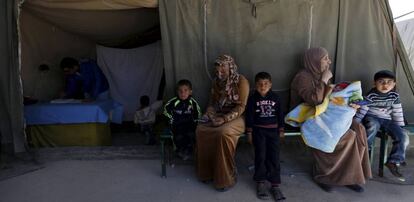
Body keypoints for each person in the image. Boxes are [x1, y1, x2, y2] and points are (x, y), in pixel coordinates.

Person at [290, 47, 371, 193]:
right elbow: (315, 100)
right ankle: (324, 176)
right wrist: (324, 80)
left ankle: (350, 176)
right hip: (307, 115)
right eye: (325, 58)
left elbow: (328, 98)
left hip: (324, 112)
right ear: (314, 61)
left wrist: (351, 101)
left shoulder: (320, 74)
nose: (329, 61)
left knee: (358, 130)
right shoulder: (303, 77)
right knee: (346, 136)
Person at [196, 54, 249, 192]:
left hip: (238, 117)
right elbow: (213, 103)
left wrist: (224, 119)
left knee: (223, 132)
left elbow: (241, 107)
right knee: (201, 129)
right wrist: (209, 114)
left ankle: (226, 177)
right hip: (220, 114)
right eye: (217, 68)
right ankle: (207, 172)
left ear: (230, 67)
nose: (219, 71)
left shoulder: (241, 81)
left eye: (223, 67)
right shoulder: (216, 82)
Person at [355, 70, 407, 177]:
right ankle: (364, 151)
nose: (385, 85)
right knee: (372, 126)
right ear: (374, 83)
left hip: (387, 119)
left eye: (389, 82)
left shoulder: (394, 96)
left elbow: (397, 110)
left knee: (402, 135)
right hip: (372, 117)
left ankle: (394, 160)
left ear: (394, 84)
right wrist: (356, 122)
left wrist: (399, 126)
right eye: (381, 82)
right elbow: (363, 109)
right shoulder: (371, 95)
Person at [245, 72, 286, 200]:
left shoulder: (276, 98)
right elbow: (250, 117)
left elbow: (280, 114)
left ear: (271, 84)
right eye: (260, 84)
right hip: (259, 132)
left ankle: (275, 185)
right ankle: (261, 182)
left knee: (274, 156)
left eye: (266, 84)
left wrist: (281, 129)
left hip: (273, 132)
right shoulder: (252, 99)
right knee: (260, 156)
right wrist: (249, 132)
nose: (263, 86)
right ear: (255, 85)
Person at [164, 79, 201, 160]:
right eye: (180, 91)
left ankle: (188, 151)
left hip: (189, 124)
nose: (183, 93)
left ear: (190, 92)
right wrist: (171, 119)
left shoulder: (193, 102)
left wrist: (196, 122)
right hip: (177, 124)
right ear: (177, 92)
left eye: (185, 90)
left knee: (191, 135)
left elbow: (197, 113)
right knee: (178, 135)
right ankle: (179, 151)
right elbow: (166, 110)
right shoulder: (173, 102)